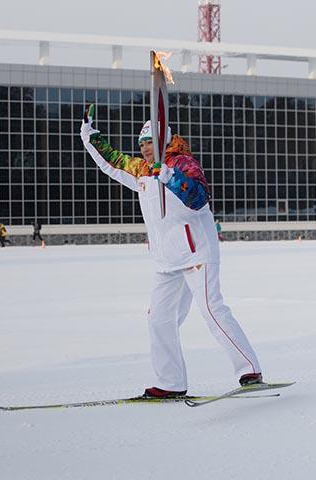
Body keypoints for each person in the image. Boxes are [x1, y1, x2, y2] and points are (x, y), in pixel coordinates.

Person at [80, 109, 262, 399]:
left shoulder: (183, 163)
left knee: (212, 310)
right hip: (166, 261)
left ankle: (249, 369)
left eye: (149, 142)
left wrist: (169, 176)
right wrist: (90, 137)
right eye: (141, 144)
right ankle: (171, 382)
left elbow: (198, 198)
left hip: (196, 253)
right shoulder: (142, 170)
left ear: (164, 140)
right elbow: (112, 163)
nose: (143, 148)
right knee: (159, 319)